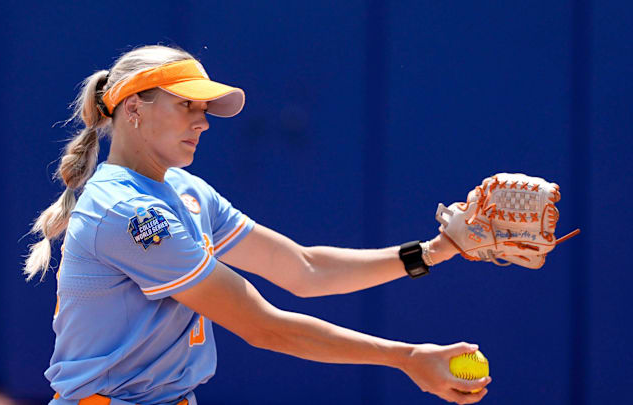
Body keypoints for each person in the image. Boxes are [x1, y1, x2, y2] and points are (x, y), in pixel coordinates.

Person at [25, 45, 491, 405]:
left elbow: (304, 269)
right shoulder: (129, 213)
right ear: (133, 109)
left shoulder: (187, 191)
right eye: (187, 105)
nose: (202, 121)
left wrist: (433, 250)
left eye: (204, 109)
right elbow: (264, 327)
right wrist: (405, 358)